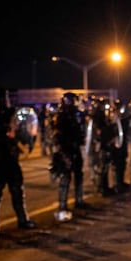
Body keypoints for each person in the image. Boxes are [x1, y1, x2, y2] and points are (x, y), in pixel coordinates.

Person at [0, 89, 36, 235]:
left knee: (18, 192)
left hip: (11, 158)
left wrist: (24, 136)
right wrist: (6, 136)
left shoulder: (9, 114)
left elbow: (21, 129)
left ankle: (22, 219)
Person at [50, 92, 87, 222]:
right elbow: (56, 136)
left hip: (75, 149)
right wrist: (62, 153)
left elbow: (80, 131)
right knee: (65, 179)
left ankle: (79, 200)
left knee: (79, 176)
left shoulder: (76, 115)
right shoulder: (61, 116)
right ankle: (62, 205)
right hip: (65, 150)